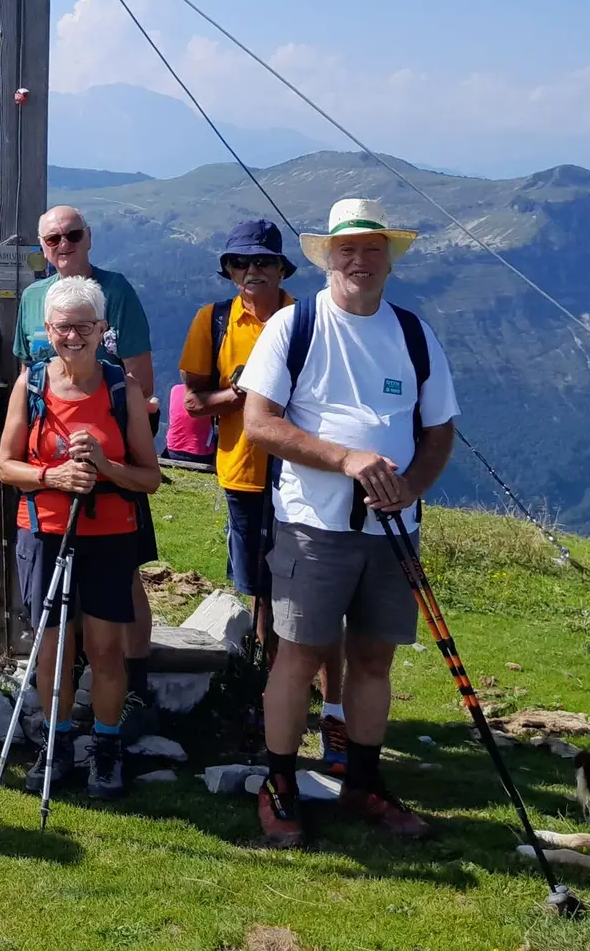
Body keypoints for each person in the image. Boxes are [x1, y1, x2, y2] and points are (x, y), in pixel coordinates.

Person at [240, 197, 459, 848]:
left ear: (389, 259)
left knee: (372, 658)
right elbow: (259, 423)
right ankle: (279, 785)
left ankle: (363, 782)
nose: (359, 261)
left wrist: (410, 488)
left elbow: (441, 429)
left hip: (391, 530)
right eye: (347, 250)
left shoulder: (414, 335)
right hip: (312, 525)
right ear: (328, 257)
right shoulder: (294, 327)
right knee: (297, 657)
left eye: (371, 250)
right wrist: (348, 458)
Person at [179, 220, 348, 777]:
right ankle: (268, 700)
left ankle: (330, 712)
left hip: (306, 483)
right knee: (259, 595)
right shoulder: (214, 320)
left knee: (316, 600)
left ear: (282, 269)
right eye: (240, 264)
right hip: (245, 477)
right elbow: (196, 402)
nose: (252, 273)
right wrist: (245, 393)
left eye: (264, 264)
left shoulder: (313, 318)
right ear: (229, 270)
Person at [0, 278, 161, 800]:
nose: (72, 337)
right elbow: (5, 466)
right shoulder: (33, 383)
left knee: (106, 648)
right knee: (52, 646)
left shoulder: (122, 389)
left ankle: (106, 747)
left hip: (110, 534)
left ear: (102, 329)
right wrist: (53, 477)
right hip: (45, 530)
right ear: (47, 330)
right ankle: (57, 741)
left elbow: (149, 477)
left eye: (83, 326)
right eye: (62, 327)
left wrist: (105, 467)